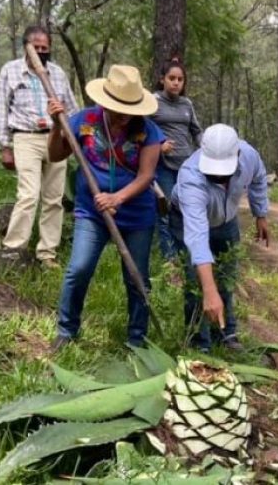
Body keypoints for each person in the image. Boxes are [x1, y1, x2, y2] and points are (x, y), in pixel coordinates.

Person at [46, 65, 163, 351]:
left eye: (130, 110)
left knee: (136, 277)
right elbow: (55, 154)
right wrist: (56, 126)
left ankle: (137, 339)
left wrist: (117, 198)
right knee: (79, 268)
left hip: (136, 214)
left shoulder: (148, 131)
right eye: (119, 109)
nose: (125, 116)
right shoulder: (84, 120)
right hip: (92, 211)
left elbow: (146, 176)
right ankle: (66, 331)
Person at [169, 124, 269, 353]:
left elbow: (258, 178)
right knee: (197, 282)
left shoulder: (249, 156)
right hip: (187, 221)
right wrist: (209, 290)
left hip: (226, 220)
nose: (218, 176)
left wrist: (260, 214)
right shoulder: (190, 178)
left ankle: (226, 334)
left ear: (238, 156)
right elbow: (197, 238)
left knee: (226, 276)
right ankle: (199, 343)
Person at [0, 25, 79, 268]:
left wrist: (74, 135)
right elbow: (1, 108)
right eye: (36, 47)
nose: (41, 51)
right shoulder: (11, 71)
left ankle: (47, 253)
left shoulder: (58, 74)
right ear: (26, 47)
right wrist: (5, 146)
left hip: (55, 137)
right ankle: (13, 249)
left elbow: (72, 108)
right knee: (28, 194)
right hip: (25, 137)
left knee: (54, 198)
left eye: (45, 48)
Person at [150, 58, 202, 262]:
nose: (176, 83)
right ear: (162, 79)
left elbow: (196, 131)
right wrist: (158, 145)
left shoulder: (186, 104)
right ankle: (170, 261)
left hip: (186, 166)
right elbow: (141, 131)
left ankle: (186, 256)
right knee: (165, 210)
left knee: (186, 210)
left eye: (180, 79)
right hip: (162, 165)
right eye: (172, 78)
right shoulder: (153, 101)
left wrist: (205, 148)